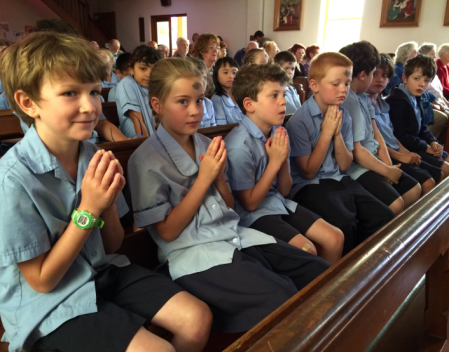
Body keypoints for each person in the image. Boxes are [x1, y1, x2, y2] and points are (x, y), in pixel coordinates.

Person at [0, 31, 212, 352]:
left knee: (197, 319)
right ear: (28, 103)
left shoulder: (91, 155)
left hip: (100, 272)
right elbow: (41, 280)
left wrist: (108, 205)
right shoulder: (12, 179)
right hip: (47, 301)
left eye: (96, 92)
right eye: (71, 93)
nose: (90, 106)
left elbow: (111, 244)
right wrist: (89, 209)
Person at [127, 58, 330, 334]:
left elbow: (230, 205)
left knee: (316, 272)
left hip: (233, 235)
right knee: (280, 299)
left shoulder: (207, 144)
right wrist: (205, 178)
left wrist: (220, 178)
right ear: (157, 105)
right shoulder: (145, 160)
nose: (195, 111)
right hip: (193, 253)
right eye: (183, 102)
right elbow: (167, 232)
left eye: (199, 101)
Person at [225, 64, 344, 263]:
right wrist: (276, 161)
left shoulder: (277, 132)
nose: (283, 102)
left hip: (277, 202)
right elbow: (250, 203)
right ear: (249, 104)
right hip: (250, 216)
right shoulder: (239, 145)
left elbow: (285, 189)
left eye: (284, 94)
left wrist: (282, 160)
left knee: (335, 238)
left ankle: (331, 292)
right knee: (308, 250)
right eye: (274, 96)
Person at [285, 52, 395, 254]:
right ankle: (346, 272)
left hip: (338, 178)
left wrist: (336, 135)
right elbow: (308, 172)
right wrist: (326, 133)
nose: (343, 89)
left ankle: (363, 262)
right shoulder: (299, 122)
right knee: (343, 221)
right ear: (315, 86)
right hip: (308, 186)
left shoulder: (342, 114)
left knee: (383, 215)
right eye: (335, 84)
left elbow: (345, 165)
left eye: (346, 83)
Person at [339, 41, 421, 216]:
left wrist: (389, 166)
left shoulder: (365, 99)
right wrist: (386, 171)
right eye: (373, 73)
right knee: (395, 204)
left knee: (414, 188)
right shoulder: (348, 101)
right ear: (363, 75)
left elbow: (378, 136)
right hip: (358, 166)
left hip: (374, 158)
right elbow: (357, 151)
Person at [366, 54, 440, 194]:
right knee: (425, 183)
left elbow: (392, 136)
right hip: (382, 156)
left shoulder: (383, 104)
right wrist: (400, 156)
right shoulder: (390, 102)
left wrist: (409, 152)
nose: (381, 79)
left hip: (396, 150)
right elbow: (375, 141)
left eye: (385, 75)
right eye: (375, 74)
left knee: (438, 173)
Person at [387, 55, 449, 180]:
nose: (422, 84)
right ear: (405, 78)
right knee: (444, 168)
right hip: (405, 148)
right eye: (417, 78)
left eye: (427, 80)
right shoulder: (396, 100)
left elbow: (422, 128)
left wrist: (433, 142)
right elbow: (400, 136)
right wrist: (426, 147)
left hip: (416, 143)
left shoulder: (416, 96)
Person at [116, 45, 164, 137]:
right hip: (137, 140)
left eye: (153, 69)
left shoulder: (154, 86)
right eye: (143, 68)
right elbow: (137, 120)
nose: (148, 74)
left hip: (154, 138)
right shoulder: (127, 84)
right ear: (131, 70)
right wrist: (145, 145)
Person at [417, 43, 449, 141]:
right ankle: (427, 141)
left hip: (431, 101)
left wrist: (441, 102)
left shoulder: (431, 70)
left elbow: (434, 92)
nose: (435, 56)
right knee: (442, 118)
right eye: (432, 54)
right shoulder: (419, 70)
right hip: (422, 105)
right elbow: (420, 93)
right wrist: (433, 105)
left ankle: (440, 142)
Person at [186, 57, 219, 127]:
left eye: (203, 78)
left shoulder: (208, 104)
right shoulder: (183, 105)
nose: (200, 83)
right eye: (196, 78)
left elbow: (214, 129)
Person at [211, 57, 243, 125]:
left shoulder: (242, 95)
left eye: (234, 72)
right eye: (225, 72)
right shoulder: (217, 99)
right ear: (216, 75)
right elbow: (222, 127)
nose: (231, 76)